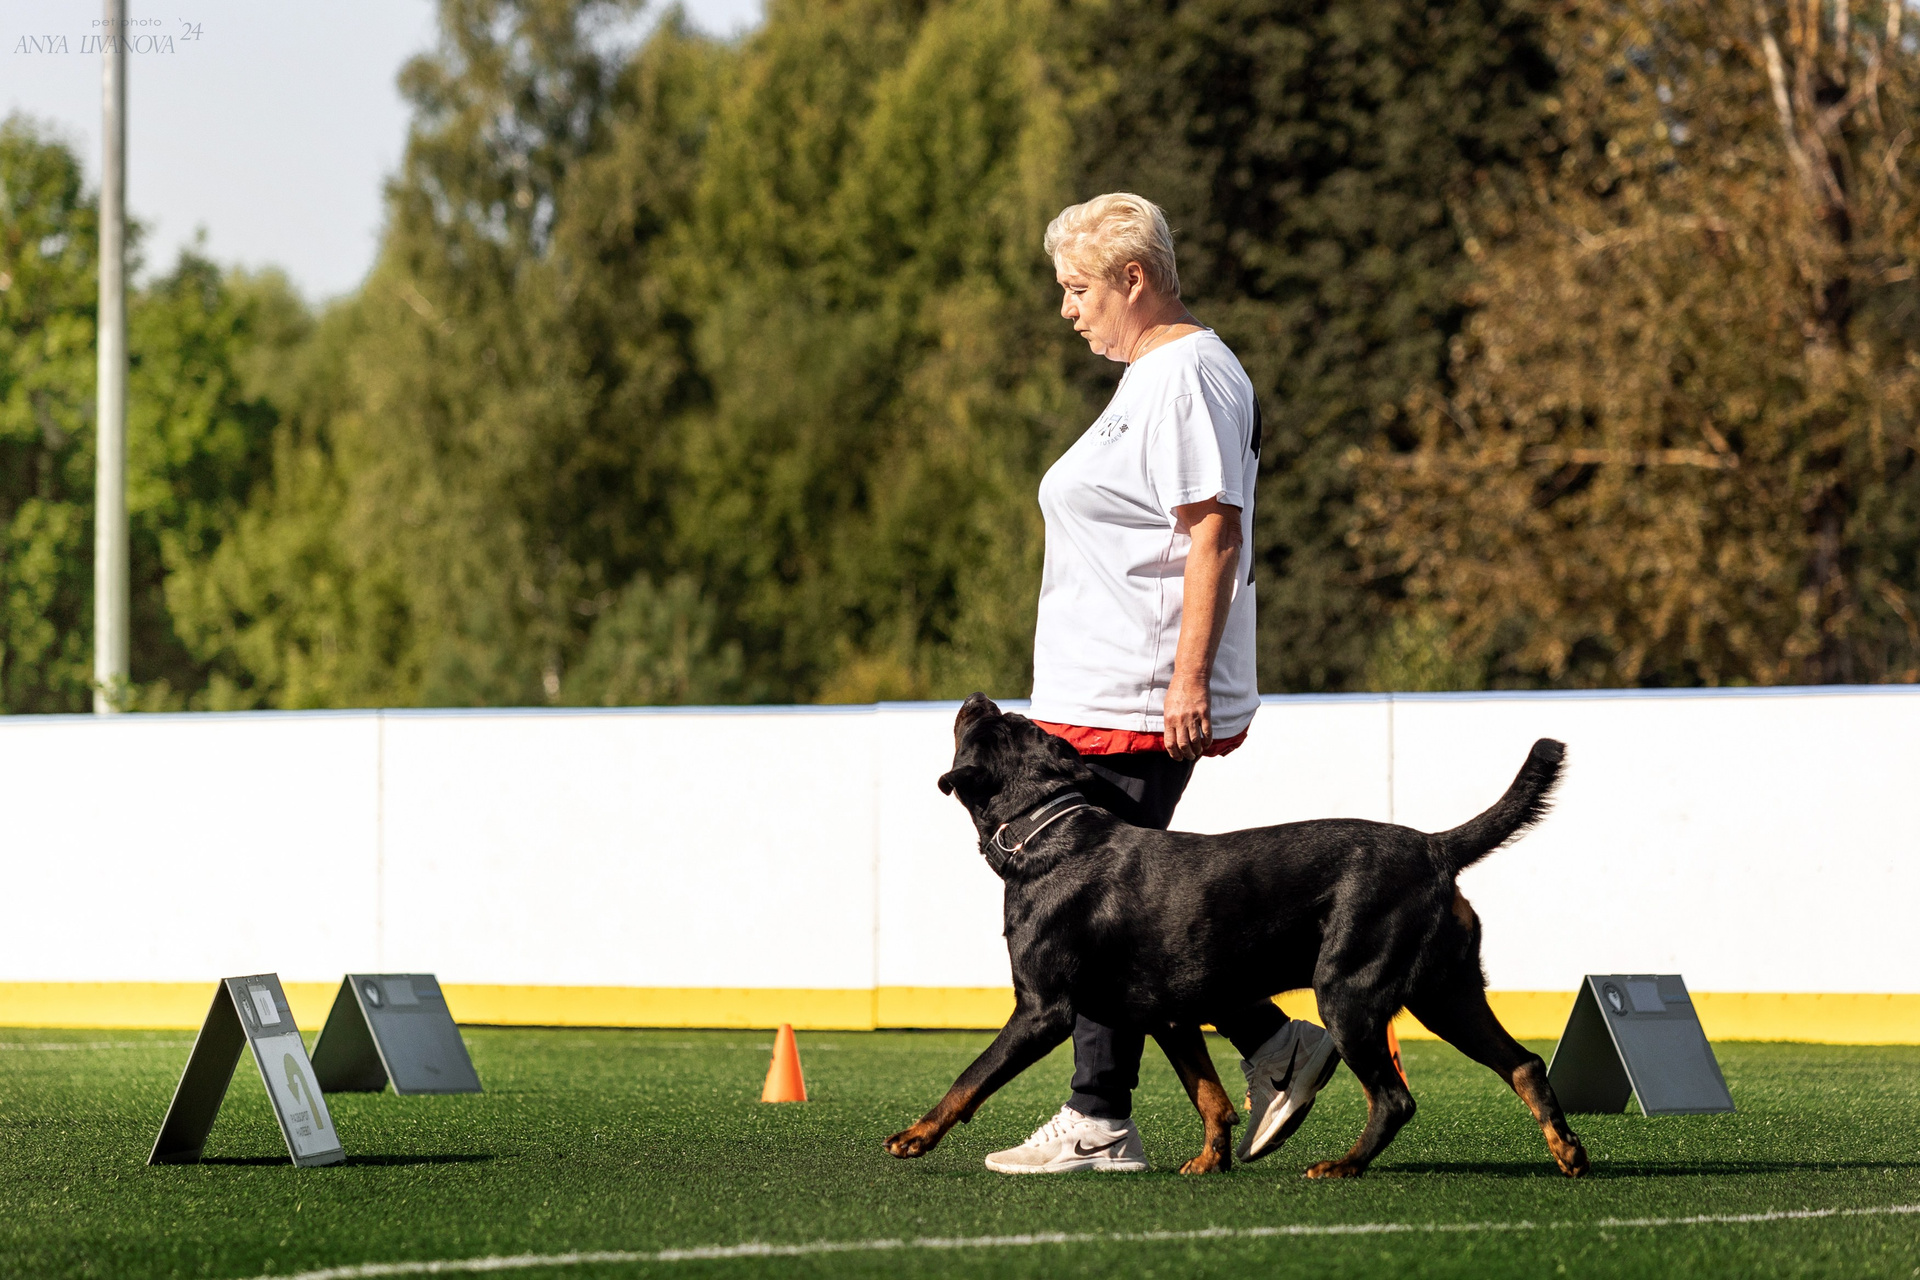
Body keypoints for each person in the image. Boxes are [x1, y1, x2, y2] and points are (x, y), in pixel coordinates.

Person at [983, 193, 1339, 1175]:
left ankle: (1099, 1119)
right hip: (1098, 693)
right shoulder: (1152, 375)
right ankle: (1275, 1044)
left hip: (1139, 697)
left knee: (1095, 916)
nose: (1067, 309)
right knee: (1121, 916)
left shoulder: (1186, 374)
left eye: (1078, 288)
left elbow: (1213, 532)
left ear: (1133, 279)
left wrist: (1188, 682)